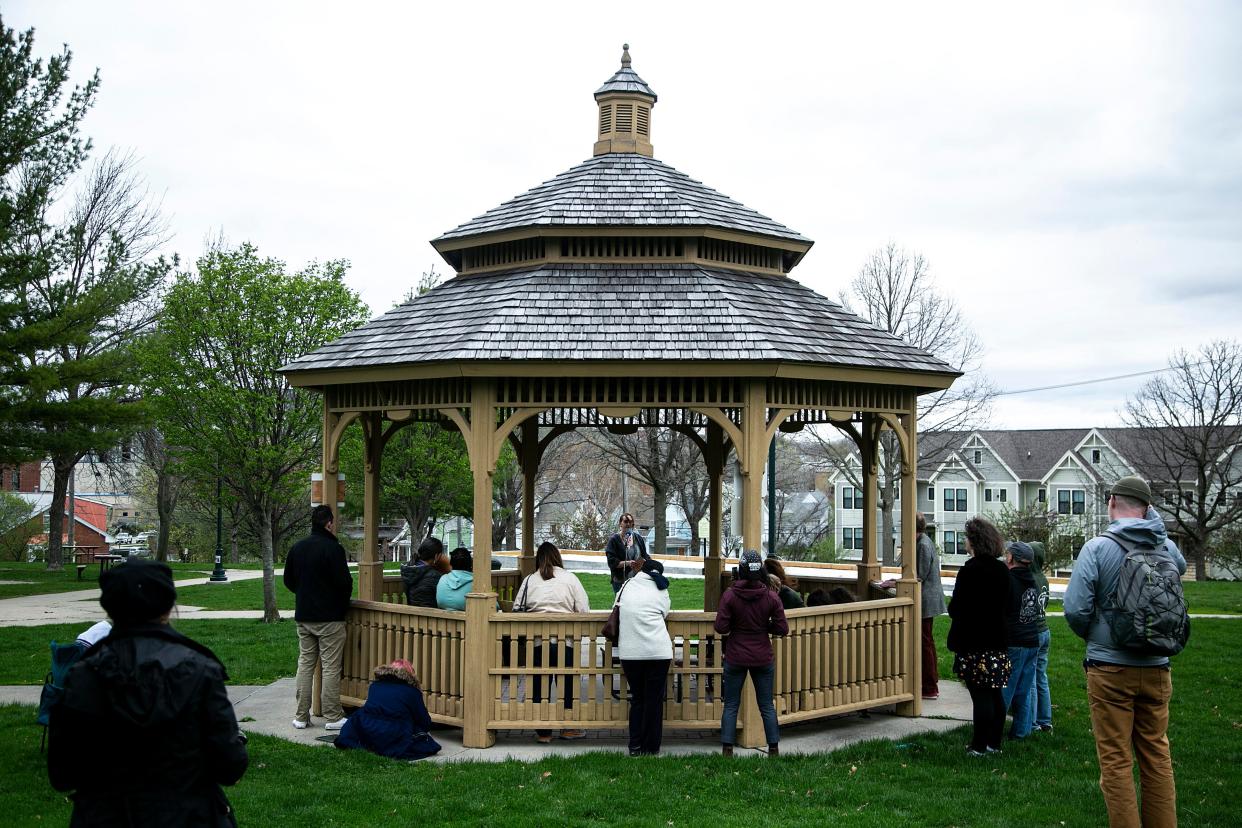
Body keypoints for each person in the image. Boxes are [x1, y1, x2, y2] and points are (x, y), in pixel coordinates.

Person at [48, 560, 249, 826]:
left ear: (111, 610)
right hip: (188, 815)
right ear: (168, 607)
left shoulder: (84, 675)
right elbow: (230, 764)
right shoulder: (200, 670)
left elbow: (63, 772)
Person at [1064, 476, 1186, 828]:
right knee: (1157, 756)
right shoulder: (1165, 547)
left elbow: (1075, 609)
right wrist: (1155, 522)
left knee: (1116, 762)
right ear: (1148, 507)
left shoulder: (1098, 548)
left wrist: (1096, 637)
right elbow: (1176, 569)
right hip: (1158, 665)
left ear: (1112, 500)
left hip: (1110, 668)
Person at [512, 541, 591, 743]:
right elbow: (583, 610)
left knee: (539, 684)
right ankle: (567, 728)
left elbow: (516, 608)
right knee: (567, 686)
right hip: (566, 642)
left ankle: (543, 732)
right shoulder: (570, 579)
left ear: (538, 559)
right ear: (558, 557)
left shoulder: (530, 580)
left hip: (537, 642)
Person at [284, 504, 353, 731]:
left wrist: (305, 594)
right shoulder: (333, 549)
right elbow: (344, 583)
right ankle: (333, 717)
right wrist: (340, 605)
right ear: (329, 523)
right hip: (330, 618)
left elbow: (288, 581)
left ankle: (301, 716)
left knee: (305, 665)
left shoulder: (298, 548)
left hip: (304, 616)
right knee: (331, 667)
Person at [947, 516, 1012, 757]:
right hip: (998, 639)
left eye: (966, 538)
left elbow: (957, 608)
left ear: (974, 541)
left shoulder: (970, 571)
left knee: (980, 694)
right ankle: (994, 743)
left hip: (974, 641)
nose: (964, 541)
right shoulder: (1003, 571)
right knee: (995, 693)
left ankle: (978, 745)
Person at [716, 549, 789, 757]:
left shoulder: (730, 595)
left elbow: (721, 627)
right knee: (766, 704)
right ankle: (773, 747)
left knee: (731, 704)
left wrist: (735, 623)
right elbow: (782, 628)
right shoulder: (771, 597)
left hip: (736, 655)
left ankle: (727, 748)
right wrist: (765, 627)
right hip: (762, 656)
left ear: (741, 570)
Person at [616, 557, 672, 755]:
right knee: (654, 701)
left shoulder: (627, 586)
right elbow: (665, 612)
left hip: (631, 653)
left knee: (638, 699)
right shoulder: (661, 589)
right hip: (658, 651)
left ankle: (635, 745)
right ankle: (651, 747)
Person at [334, 659, 441, 761]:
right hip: (393, 733)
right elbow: (424, 722)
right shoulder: (411, 692)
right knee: (423, 740)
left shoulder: (375, 686)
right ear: (410, 675)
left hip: (366, 728)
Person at [1001, 540, 1042, 740]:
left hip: (1014, 641)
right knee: (1024, 692)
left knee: (1005, 690)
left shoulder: (1009, 580)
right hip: (1032, 640)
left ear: (1011, 558)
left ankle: (993, 732)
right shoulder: (1032, 580)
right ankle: (1021, 732)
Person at [914, 512, 947, 700]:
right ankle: (931, 681)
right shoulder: (923, 542)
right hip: (926, 598)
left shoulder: (923, 545)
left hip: (926, 599)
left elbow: (920, 574)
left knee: (925, 642)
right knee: (927, 641)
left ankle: (929, 686)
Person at [1027, 540, 1053, 733]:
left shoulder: (1029, 578)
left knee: (1032, 680)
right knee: (1041, 677)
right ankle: (1046, 719)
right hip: (1045, 630)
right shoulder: (1043, 578)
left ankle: (1034, 721)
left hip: (1033, 632)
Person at [605, 512, 649, 593]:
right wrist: (628, 563)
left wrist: (645, 562)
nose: (628, 524)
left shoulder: (638, 538)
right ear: (620, 524)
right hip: (620, 580)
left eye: (630, 522)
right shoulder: (614, 540)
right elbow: (612, 562)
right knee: (622, 604)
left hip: (637, 579)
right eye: (625, 521)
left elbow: (644, 555)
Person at [401, 536, 449, 608]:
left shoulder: (408, 570)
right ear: (436, 556)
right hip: (431, 616)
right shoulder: (435, 576)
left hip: (411, 616)